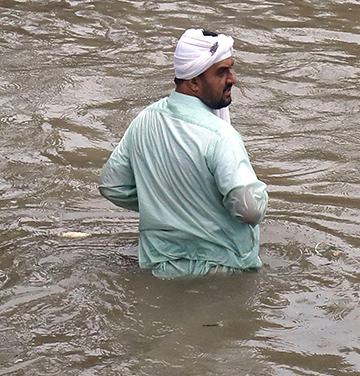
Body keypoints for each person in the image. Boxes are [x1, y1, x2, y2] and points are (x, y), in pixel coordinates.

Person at [99, 29, 268, 279]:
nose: (232, 79)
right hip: (223, 276)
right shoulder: (221, 137)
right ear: (194, 82)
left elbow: (112, 186)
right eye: (222, 72)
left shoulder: (145, 120)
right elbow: (250, 210)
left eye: (231, 69)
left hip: (159, 269)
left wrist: (161, 204)